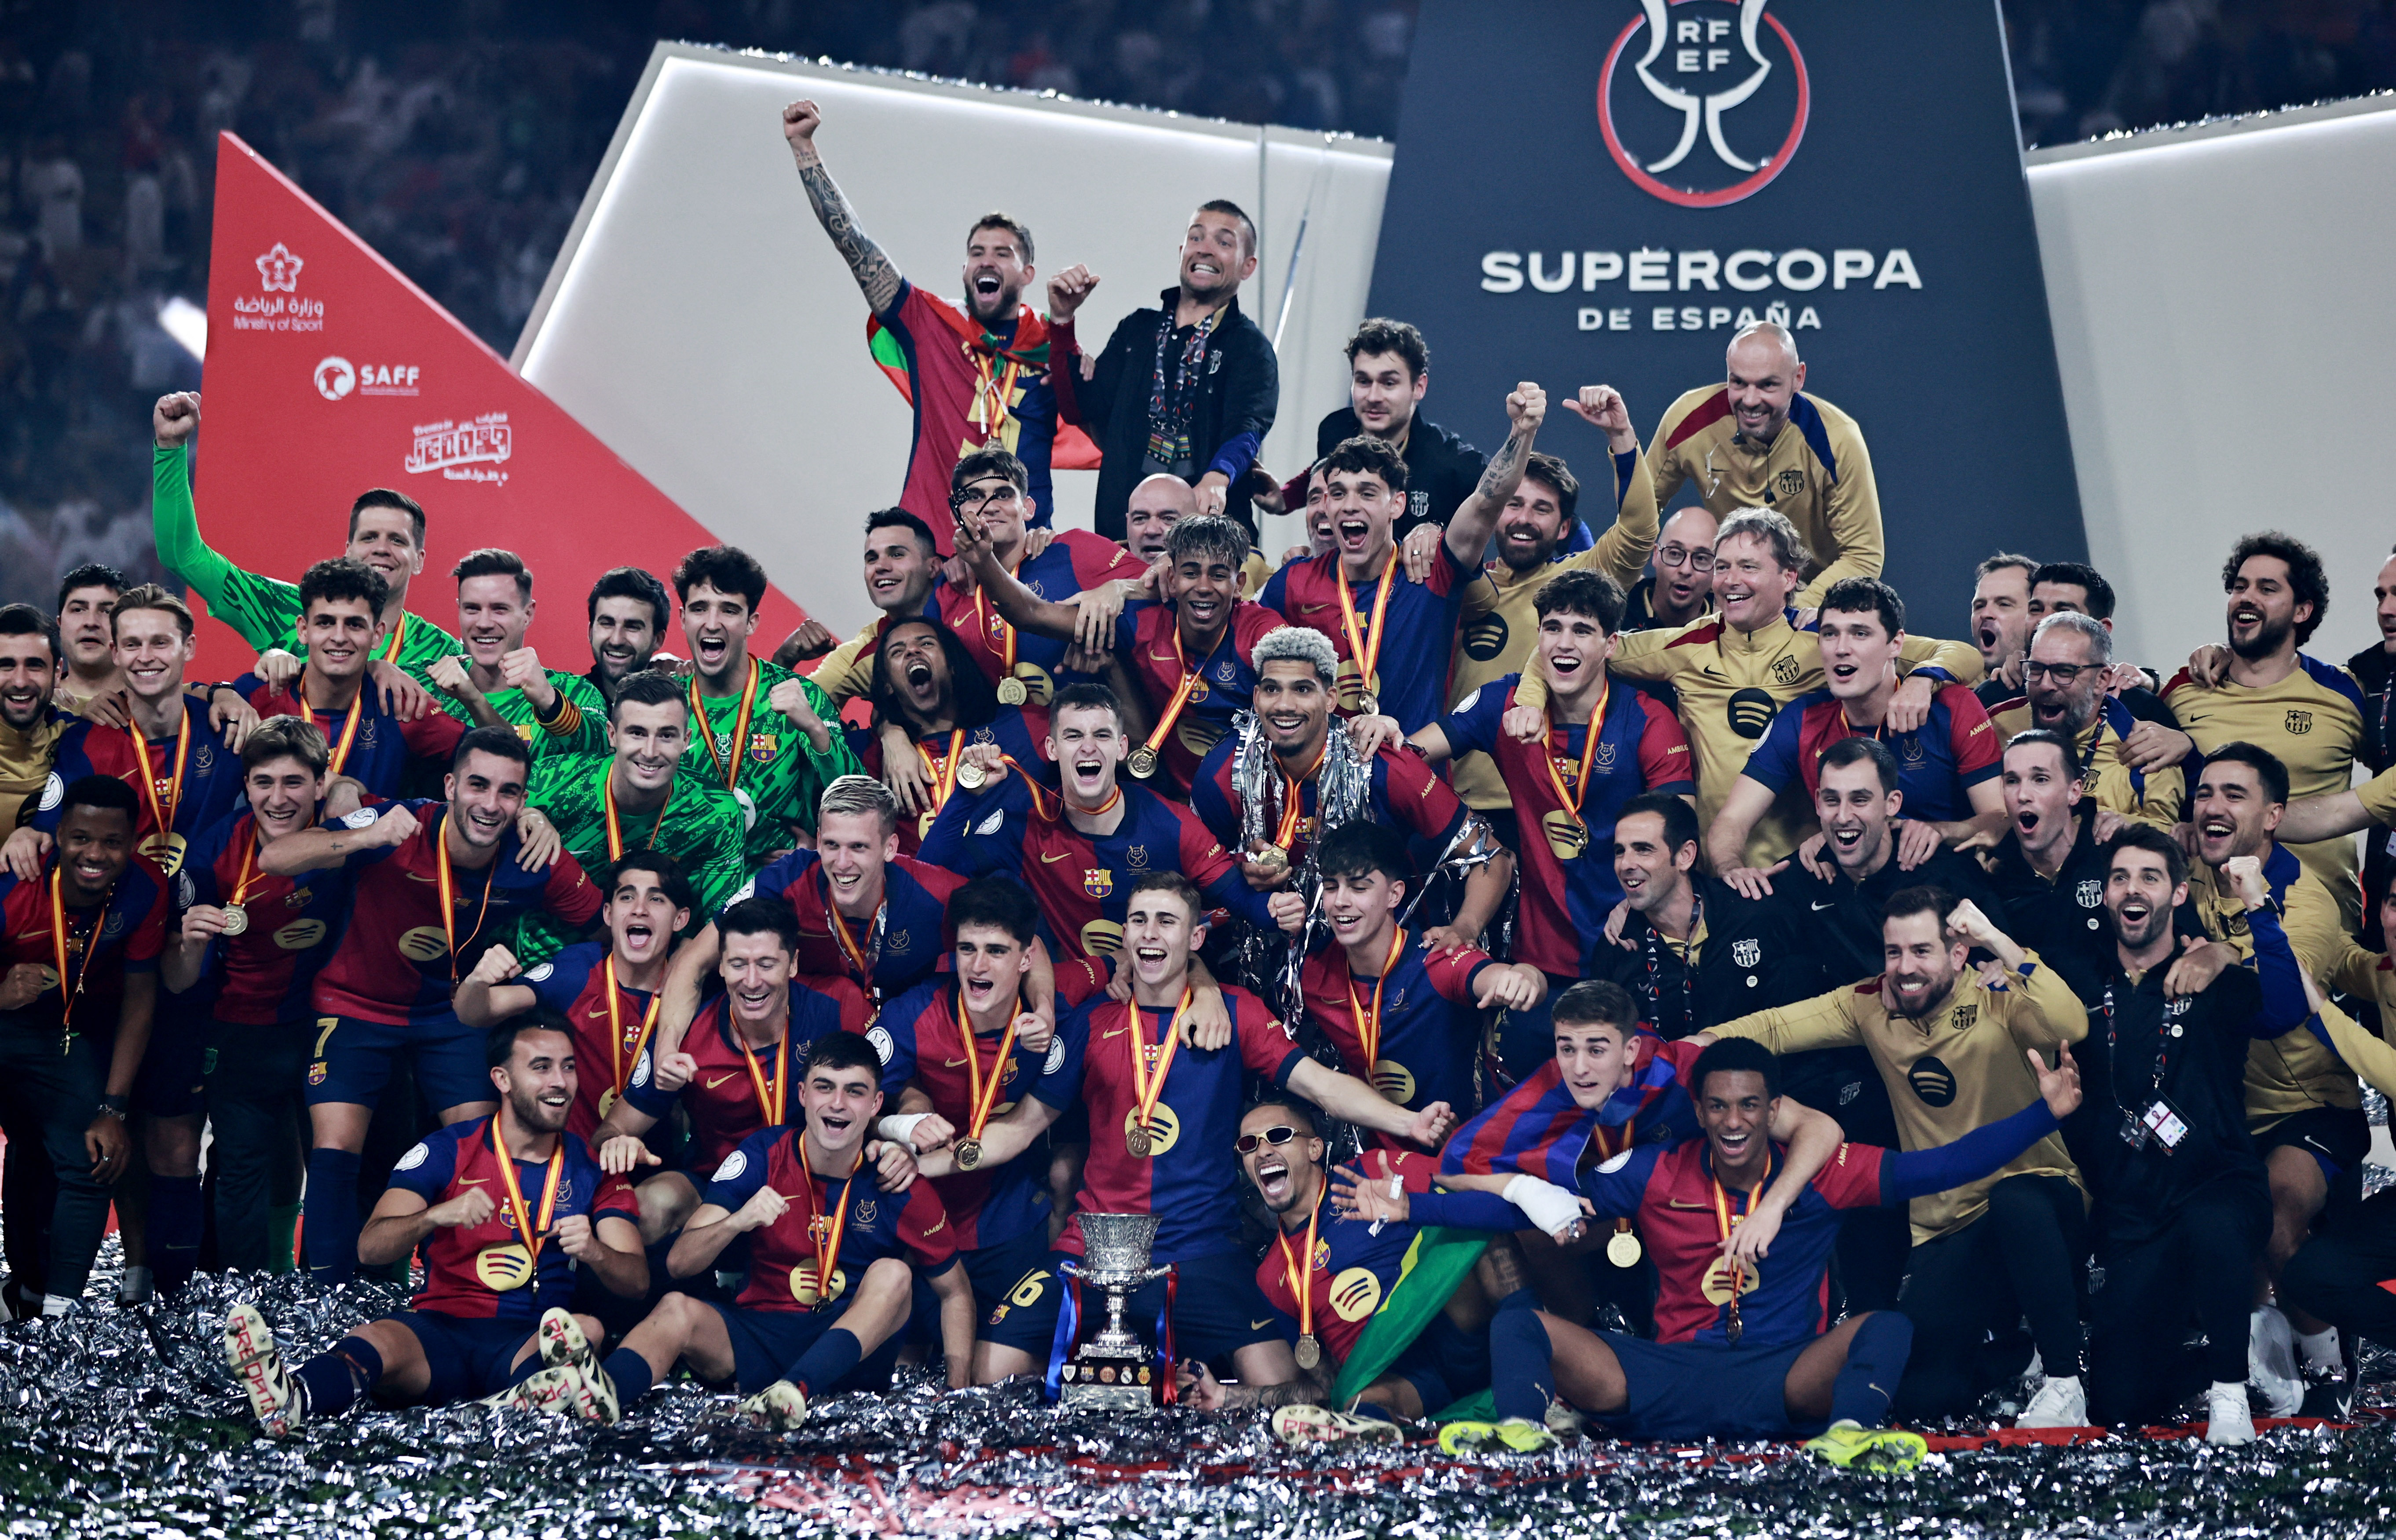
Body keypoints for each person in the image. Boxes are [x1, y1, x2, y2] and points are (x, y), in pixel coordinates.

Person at [1364, 1036, 2082, 1466]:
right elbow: (1540, 1205)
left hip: (1780, 1376)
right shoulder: (1651, 1168)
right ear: (1698, 1109)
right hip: (1662, 1376)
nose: (1733, 1121)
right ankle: (1520, 1432)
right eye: (1718, 1106)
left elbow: (1944, 1165)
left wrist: (2042, 1113)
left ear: (1775, 1110)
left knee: (1886, 1325)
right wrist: (1414, 1204)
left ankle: (1849, 1437)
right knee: (1520, 1325)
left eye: (1749, 1106)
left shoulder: (1822, 1175)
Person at [931, 872, 1457, 1386]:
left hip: (1198, 1246)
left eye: (1166, 921)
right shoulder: (1089, 1024)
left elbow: (1321, 1086)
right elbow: (1019, 1130)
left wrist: (1406, 1120)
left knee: (1273, 1383)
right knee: (991, 1372)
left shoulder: (1233, 1014)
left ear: (1196, 937)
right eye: (1138, 920)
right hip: (1091, 1247)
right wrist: (925, 1160)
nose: (1150, 933)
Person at [1702, 889, 2094, 1426]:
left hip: (2042, 1203)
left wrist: (1999, 945)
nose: (1904, 969)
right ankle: (2015, 1357)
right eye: (1893, 953)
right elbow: (1774, 1027)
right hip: (1950, 1225)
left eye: (1921, 952)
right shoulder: (1868, 1003)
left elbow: (2070, 1025)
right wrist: (1685, 1049)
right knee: (1919, 1395)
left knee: (2014, 1198)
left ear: (1957, 954)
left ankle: (2063, 1380)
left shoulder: (1997, 993)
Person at [264, 727, 599, 1281]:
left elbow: (600, 923)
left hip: (453, 1014)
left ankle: (462, 1286)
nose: (490, 805)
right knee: (335, 1146)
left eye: (509, 792)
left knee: (481, 1147)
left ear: (524, 800)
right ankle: (320, 1294)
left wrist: (553, 980)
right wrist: (361, 838)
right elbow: (277, 857)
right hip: (357, 1002)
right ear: (449, 785)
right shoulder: (398, 823)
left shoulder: (533, 852)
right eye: (477, 785)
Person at [222, 1015, 646, 1434]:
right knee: (376, 1337)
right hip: (440, 1331)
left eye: (568, 1067)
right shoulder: (447, 1148)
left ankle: (512, 1400)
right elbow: (370, 1248)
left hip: (527, 1337)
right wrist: (433, 1217)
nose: (560, 1081)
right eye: (542, 1067)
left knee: (585, 1330)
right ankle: (294, 1398)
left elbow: (636, 1281)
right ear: (502, 1079)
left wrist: (595, 1251)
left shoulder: (594, 1166)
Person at [571, 1032, 967, 1428]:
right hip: (761, 1337)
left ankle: (794, 1391)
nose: (837, 1104)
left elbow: (955, 1293)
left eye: (855, 1091)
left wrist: (957, 1396)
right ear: (802, 1094)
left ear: (876, 1104)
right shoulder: (764, 1154)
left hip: (848, 1361)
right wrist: (736, 1221)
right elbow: (679, 1263)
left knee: (894, 1273)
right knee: (677, 1309)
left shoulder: (896, 1179)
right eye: (824, 1087)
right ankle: (600, 1396)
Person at [1559, 511, 1979, 855]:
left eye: (1748, 567)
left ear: (1790, 578)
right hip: (1713, 862)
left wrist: (1923, 680)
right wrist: (1528, 695)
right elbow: (1576, 647)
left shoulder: (1828, 638)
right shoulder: (1685, 643)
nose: (1729, 580)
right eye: (1722, 567)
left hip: (1806, 863)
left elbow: (1963, 654)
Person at [1407, 573, 1693, 1070]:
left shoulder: (1647, 720)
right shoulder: (1505, 702)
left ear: (1610, 644)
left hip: (1629, 954)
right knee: (1526, 1122)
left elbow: (1680, 831)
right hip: (1538, 967)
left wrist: (1640, 901)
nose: (1563, 643)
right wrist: (1468, 832)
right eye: (1552, 627)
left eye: (1582, 630)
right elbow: (1408, 758)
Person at [782, 99, 1074, 538]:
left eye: (1002, 253)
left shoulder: (1051, 348)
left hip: (1026, 548)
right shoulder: (930, 323)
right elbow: (856, 247)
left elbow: (1102, 418)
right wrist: (805, 149)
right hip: (935, 548)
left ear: (1027, 274)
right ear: (964, 271)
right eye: (976, 253)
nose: (986, 261)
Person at [2070, 826, 2273, 1441]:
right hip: (2135, 1215)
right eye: (2119, 877)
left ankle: (2230, 1391)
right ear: (2104, 895)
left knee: (2211, 1221)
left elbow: (2287, 1004)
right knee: (2117, 1402)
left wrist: (2230, 947)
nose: (2131, 889)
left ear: (2178, 892)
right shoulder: (2083, 987)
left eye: (2148, 876)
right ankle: (2244, 1349)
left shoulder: (2211, 979)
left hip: (2216, 1183)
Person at [2172, 743, 2356, 1412]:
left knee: (2275, 1210)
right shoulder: (2182, 869)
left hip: (2305, 1105)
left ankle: (2330, 1372)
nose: (2213, 806)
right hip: (2215, 1107)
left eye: (2232, 794)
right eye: (2203, 793)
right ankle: (2246, 1363)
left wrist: (2226, 951)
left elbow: (2278, 1009)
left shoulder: (2307, 904)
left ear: (2272, 815)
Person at [1178, 1098, 1522, 1439]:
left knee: (1472, 1226)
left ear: (1315, 1148)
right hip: (1398, 1381)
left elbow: (1474, 1192)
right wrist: (1226, 1396)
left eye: (1278, 1135)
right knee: (1358, 1400)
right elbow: (1323, 1387)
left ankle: (1537, 1352)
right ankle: (1361, 1437)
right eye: (1249, 1144)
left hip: (1459, 1330)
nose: (1264, 1151)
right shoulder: (1272, 1276)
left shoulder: (1372, 1171)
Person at [922, 685, 1277, 1005]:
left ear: (1122, 748)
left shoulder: (1173, 824)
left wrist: (1282, 903)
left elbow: (1248, 906)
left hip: (1165, 995)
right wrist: (966, 796)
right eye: (1073, 735)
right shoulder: (1024, 823)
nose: (1088, 747)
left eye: (1102, 735)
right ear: (1051, 749)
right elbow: (928, 879)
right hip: (1081, 997)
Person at [162, 718, 350, 1279]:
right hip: (240, 1029)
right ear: (245, 787)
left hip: (329, 1028)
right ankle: (242, 1300)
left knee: (336, 1167)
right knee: (242, 1170)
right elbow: (175, 978)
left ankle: (332, 1294)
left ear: (321, 784)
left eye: (294, 782)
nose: (278, 798)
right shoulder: (214, 849)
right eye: (263, 782)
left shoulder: (348, 835)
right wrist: (191, 943)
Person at [1258, 383, 1544, 734]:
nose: (1349, 505)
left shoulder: (1430, 572)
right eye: (1337, 494)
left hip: (1412, 776)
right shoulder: (1293, 582)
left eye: (1367, 493)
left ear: (1397, 505)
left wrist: (1522, 432)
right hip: (1324, 782)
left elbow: (1486, 503)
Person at [864, 878, 1062, 1376]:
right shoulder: (913, 1014)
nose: (977, 966)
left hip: (1012, 1223)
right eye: (967, 949)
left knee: (995, 1373)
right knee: (901, 1367)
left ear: (1026, 958)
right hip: (924, 1227)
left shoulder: (1059, 1020)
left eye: (996, 951)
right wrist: (902, 1125)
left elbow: (1134, 965)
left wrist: (1208, 991)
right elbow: (846, 1109)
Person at [1438, 388, 1663, 821]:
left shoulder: (1579, 581)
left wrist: (1619, 433)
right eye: (1513, 504)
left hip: (1548, 802)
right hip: (1458, 804)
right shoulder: (1457, 580)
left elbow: (1638, 529)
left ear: (1563, 528)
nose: (1523, 518)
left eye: (1541, 509)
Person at [594, 898, 872, 1240]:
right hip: (715, 1188)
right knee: (648, 1206)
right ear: (721, 966)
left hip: (822, 1183)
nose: (752, 981)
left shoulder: (838, 1006)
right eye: (738, 964)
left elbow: (885, 1095)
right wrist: (616, 1143)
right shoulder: (686, 1035)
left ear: (793, 964)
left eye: (767, 964)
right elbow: (613, 1127)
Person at [1200, 628, 1501, 933]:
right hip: (1264, 958)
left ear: (1330, 699)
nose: (1283, 705)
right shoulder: (1224, 771)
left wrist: (1465, 928)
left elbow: (1493, 854)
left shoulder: (1383, 766)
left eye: (1302, 690)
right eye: (1271, 689)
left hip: (1380, 959)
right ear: (1256, 697)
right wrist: (1241, 873)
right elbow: (1199, 871)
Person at [962, 513, 1281, 797]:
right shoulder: (1140, 621)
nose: (1203, 586)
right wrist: (983, 561)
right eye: (1190, 572)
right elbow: (1031, 613)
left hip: (1248, 799)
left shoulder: (1260, 632)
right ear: (1171, 579)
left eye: (1218, 575)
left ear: (1238, 584)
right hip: (1166, 794)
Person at [0, 776, 166, 1317]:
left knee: (96, 1159)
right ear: (58, 835)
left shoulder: (145, 888)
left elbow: (141, 998)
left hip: (61, 1034)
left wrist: (112, 1107)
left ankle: (57, 1320)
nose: (94, 854)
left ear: (133, 840)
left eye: (112, 841)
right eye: (80, 838)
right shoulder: (13, 882)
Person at [1710, 577, 2003, 881]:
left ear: (1896, 644)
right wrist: (1732, 870)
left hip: (1940, 887)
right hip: (1850, 895)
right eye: (1829, 634)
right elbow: (1732, 818)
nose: (1841, 649)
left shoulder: (1950, 707)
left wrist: (1941, 831)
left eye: (1859, 634)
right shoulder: (1802, 719)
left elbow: (2000, 819)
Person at [2141, 533, 2367, 924]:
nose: (2246, 597)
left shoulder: (2344, 693)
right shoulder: (2184, 691)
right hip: (2211, 922)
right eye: (2239, 587)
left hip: (2321, 922)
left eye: (2267, 588)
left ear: (2302, 610)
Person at [149, 392, 461, 672]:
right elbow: (183, 556)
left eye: (397, 540)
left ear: (419, 560)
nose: (381, 548)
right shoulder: (283, 608)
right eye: (369, 537)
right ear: (348, 550)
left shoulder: (440, 653)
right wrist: (170, 450)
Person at [1292, 823, 1545, 1141]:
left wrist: (1525, 976)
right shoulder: (1314, 975)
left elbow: (1495, 978)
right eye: (1331, 887)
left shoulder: (1434, 959)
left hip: (1462, 1153)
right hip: (1381, 1158)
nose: (1340, 901)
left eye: (1359, 888)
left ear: (1394, 894)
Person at [1044, 201, 1277, 540]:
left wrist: (1218, 476)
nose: (1206, 249)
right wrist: (1062, 321)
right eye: (1196, 238)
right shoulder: (1136, 331)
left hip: (1207, 548)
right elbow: (1079, 408)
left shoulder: (1249, 347)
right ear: (1182, 250)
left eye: (1224, 242)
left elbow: (1247, 428)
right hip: (1123, 537)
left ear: (1248, 266)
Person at [453, 849, 691, 1153]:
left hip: (648, 1158)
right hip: (564, 1162)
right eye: (627, 897)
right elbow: (476, 1013)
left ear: (680, 919)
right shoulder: (577, 969)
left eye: (656, 899)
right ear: (608, 914)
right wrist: (477, 982)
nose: (639, 910)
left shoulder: (690, 993)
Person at [511, 669, 746, 962]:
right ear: (612, 735)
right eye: (637, 733)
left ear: (686, 740)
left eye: (666, 736)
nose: (650, 752)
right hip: (545, 966)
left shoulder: (717, 816)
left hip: (654, 975)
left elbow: (715, 930)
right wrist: (526, 815)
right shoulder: (550, 786)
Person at [1645, 322, 1884, 607]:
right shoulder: (1687, 420)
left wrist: (1794, 613)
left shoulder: (1836, 439)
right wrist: (1630, 577)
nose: (1750, 400)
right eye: (1738, 383)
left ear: (1798, 378)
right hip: (1730, 597)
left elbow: (1863, 554)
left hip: (1811, 604)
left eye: (1767, 385)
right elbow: (1639, 512)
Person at [927, 448, 1150, 744]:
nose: (990, 506)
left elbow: (1164, 578)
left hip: (1090, 755)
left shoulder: (1075, 551)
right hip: (1000, 765)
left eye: (1004, 495)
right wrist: (892, 733)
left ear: (1028, 508)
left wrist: (1119, 587)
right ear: (956, 514)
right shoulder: (946, 591)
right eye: (975, 496)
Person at [673, 544, 862, 866]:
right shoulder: (667, 703)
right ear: (682, 618)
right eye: (700, 608)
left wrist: (816, 730)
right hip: (689, 886)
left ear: (751, 623)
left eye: (730, 610)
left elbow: (856, 800)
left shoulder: (801, 695)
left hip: (775, 889)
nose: (713, 623)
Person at [229, 560, 465, 800]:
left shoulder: (401, 707)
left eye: (354, 624)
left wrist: (473, 698)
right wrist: (218, 693)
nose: (339, 637)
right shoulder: (258, 695)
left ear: (378, 635)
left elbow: (493, 755)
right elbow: (193, 707)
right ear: (303, 629)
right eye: (325, 623)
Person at [1587, 794, 1814, 1040]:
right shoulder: (1617, 949)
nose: (1625, 864)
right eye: (1620, 852)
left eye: (1643, 850)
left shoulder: (1756, 914)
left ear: (1685, 856)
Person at [1279, 320, 1486, 541]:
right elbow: (1322, 471)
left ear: (1419, 387)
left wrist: (1439, 533)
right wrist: (1284, 498)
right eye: (1364, 381)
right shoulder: (1335, 430)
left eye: (1389, 383)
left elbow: (1505, 491)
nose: (1374, 397)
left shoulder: (1449, 462)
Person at [853, 616, 1040, 849]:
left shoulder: (1019, 727)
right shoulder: (868, 757)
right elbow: (811, 737)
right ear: (887, 684)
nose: (912, 651)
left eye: (927, 644)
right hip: (918, 885)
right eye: (897, 652)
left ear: (952, 666)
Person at [1988, 613, 2183, 828]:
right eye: (2035, 669)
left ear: (2101, 681)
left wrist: (2120, 826)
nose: (2045, 685)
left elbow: (2169, 842)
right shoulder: (1996, 726)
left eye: (2064, 672)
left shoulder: (2147, 752)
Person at [418, 550, 608, 763]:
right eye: (472, 609)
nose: (484, 624)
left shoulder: (575, 692)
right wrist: (381, 668)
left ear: (528, 615)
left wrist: (548, 699)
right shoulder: (422, 682)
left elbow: (603, 753)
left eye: (500, 610)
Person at [1980, 730, 2123, 1004]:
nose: (2023, 795)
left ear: (2074, 791)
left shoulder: (2116, 855)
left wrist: (2216, 953)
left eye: (2041, 779)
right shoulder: (1993, 878)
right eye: (2012, 781)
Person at [801, 509, 945, 711]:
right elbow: (787, 718)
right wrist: (784, 660)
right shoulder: (860, 652)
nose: (881, 567)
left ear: (933, 567)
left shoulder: (972, 604)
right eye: (872, 559)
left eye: (897, 554)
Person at [2021, 561, 2178, 726]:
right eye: (2035, 609)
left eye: (2063, 613)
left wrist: (2154, 684)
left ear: (2101, 629)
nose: (2044, 621)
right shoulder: (1996, 697)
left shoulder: (2143, 711)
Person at [0, 605, 70, 832]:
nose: (20, 681)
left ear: (57, 672)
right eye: (6, 666)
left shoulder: (80, 729)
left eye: (34, 665)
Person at [584, 567, 675, 705]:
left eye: (632, 627)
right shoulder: (567, 702)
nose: (616, 640)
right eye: (607, 624)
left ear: (658, 639)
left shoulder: (684, 704)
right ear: (591, 632)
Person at [1621, 506, 1718, 633]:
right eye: (1675, 554)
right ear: (1656, 555)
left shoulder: (1728, 632)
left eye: (1701, 558)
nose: (1686, 570)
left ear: (1718, 568)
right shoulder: (1613, 616)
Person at [51, 562, 125, 714]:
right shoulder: (35, 709)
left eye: (107, 612)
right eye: (78, 610)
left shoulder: (154, 707)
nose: (91, 622)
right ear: (60, 624)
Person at [1968, 554, 2039, 702]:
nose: (1985, 614)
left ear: (2035, 614)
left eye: (2004, 604)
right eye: (1980, 606)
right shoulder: (1949, 687)